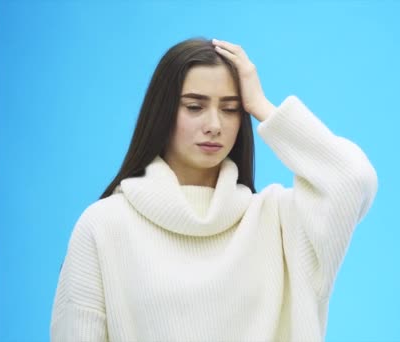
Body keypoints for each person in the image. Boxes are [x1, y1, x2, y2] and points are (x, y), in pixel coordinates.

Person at [50, 37, 378, 342]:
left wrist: (263, 106)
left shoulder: (280, 223)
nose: (214, 125)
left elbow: (352, 179)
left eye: (231, 108)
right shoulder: (104, 225)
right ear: (162, 111)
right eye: (194, 106)